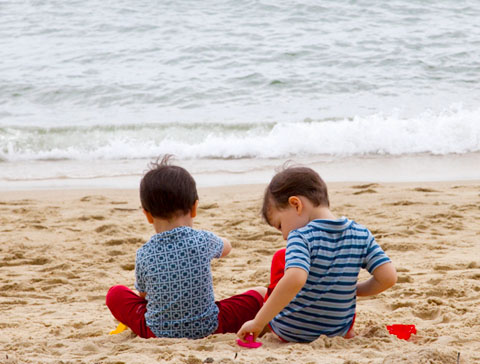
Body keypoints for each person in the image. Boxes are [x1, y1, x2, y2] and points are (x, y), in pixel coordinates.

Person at [106, 155, 266, 339]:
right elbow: (227, 247)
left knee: (115, 294)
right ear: (194, 208)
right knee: (261, 293)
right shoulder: (202, 240)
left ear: (147, 215)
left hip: (157, 332)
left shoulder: (144, 253)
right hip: (209, 326)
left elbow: (143, 296)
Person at [237, 166, 397, 343]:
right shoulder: (361, 234)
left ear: (296, 204)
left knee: (280, 261)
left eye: (280, 225)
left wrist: (258, 322)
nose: (284, 236)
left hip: (291, 331)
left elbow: (295, 279)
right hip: (338, 332)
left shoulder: (301, 236)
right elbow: (388, 277)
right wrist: (352, 289)